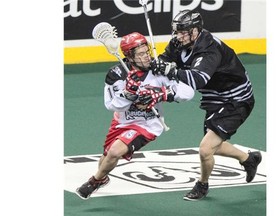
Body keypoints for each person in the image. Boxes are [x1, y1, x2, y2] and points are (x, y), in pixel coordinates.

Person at [151, 10, 262, 201]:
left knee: (205, 149)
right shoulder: (179, 42)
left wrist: (171, 70)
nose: (178, 36)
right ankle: (248, 159)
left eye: (183, 31)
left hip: (235, 100)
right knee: (214, 146)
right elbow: (165, 60)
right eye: (177, 31)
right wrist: (153, 65)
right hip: (215, 97)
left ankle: (202, 185)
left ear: (195, 30)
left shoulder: (209, 49)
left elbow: (198, 79)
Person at [75, 32, 194, 200]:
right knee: (105, 160)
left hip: (148, 124)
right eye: (141, 54)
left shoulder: (159, 69)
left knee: (115, 152)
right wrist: (128, 93)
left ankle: (93, 182)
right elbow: (111, 105)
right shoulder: (116, 74)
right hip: (121, 121)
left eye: (147, 52)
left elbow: (188, 93)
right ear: (130, 57)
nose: (147, 57)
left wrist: (162, 93)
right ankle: (102, 178)